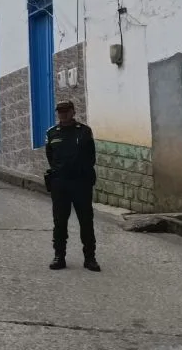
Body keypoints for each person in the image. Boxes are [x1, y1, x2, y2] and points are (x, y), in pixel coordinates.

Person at [46, 100, 100, 272]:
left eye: (66, 111)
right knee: (60, 222)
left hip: (81, 183)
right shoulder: (52, 133)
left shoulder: (84, 131)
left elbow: (91, 156)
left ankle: (90, 258)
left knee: (86, 221)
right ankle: (59, 256)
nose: (63, 115)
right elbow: (50, 157)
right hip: (60, 183)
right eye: (60, 112)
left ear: (73, 112)